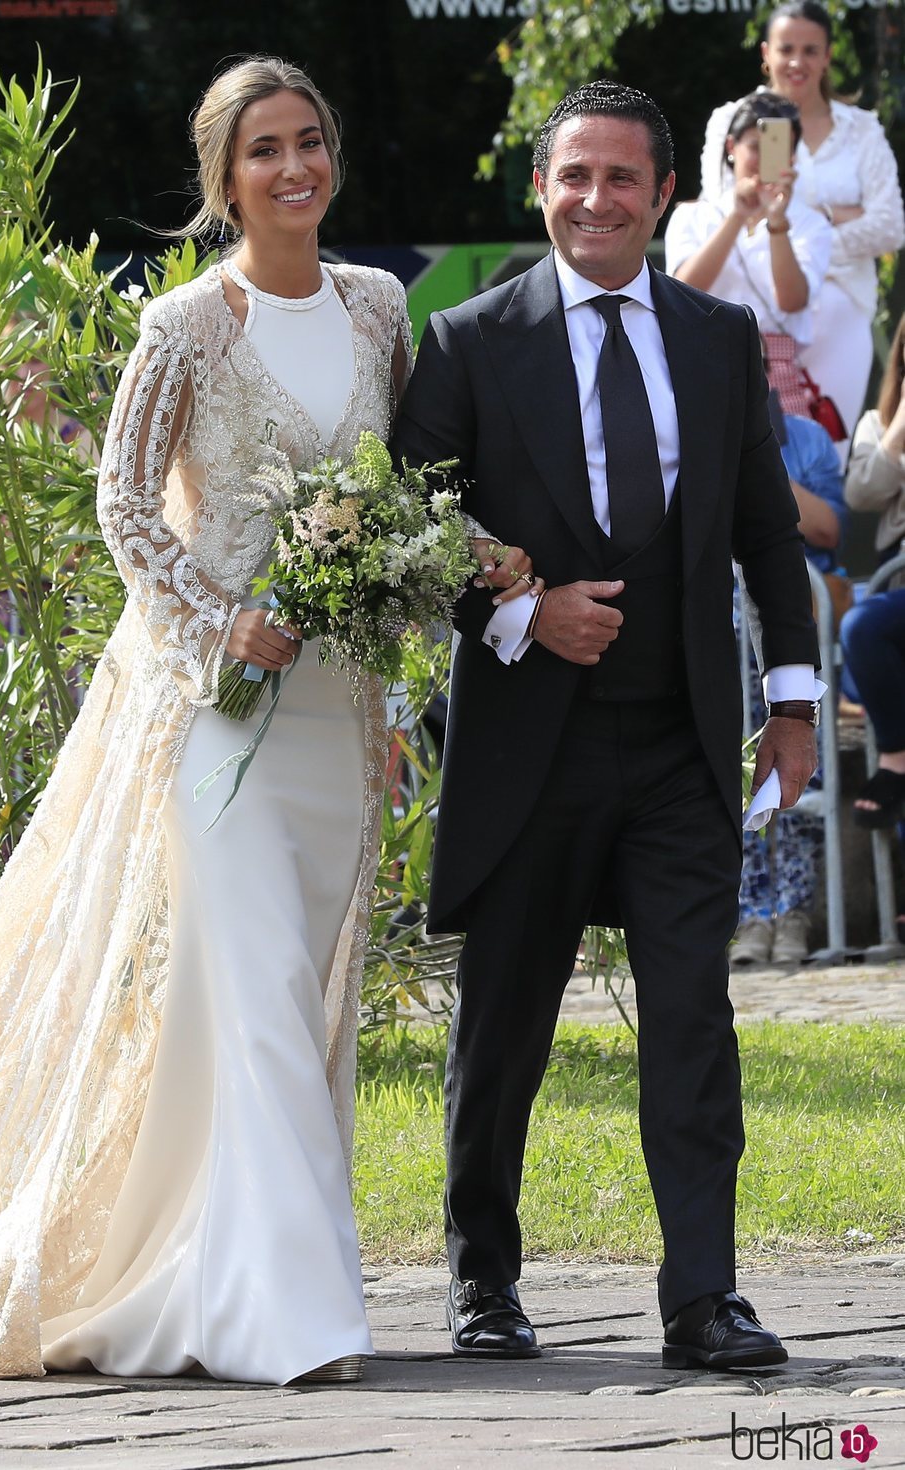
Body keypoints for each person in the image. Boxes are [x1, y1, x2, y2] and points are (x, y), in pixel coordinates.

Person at [0, 55, 530, 1386]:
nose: (294, 167)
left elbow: (403, 489)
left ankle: (217, 1275)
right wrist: (222, 623)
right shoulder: (184, 326)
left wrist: (484, 558)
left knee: (284, 1000)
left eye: (310, 140)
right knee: (251, 990)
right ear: (223, 177)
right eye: (264, 149)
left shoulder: (379, 308)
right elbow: (127, 510)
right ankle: (291, 1317)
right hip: (215, 711)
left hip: (334, 714)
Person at [393, 80, 820, 1371]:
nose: (596, 200)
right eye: (573, 177)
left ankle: (705, 1296)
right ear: (540, 191)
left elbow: (761, 531)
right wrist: (523, 615)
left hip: (680, 745)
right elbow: (413, 529)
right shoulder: (467, 341)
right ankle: (483, 1278)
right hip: (532, 744)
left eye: (622, 178)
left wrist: (792, 701)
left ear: (663, 194)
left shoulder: (716, 337)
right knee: (506, 1023)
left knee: (693, 1016)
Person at [699, 0, 904, 461]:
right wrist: (839, 215)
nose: (797, 62)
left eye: (811, 50)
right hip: (750, 315)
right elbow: (722, 213)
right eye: (787, 48)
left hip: (838, 311)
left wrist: (816, 228)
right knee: (746, 451)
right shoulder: (731, 121)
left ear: (828, 56)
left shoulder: (860, 130)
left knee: (825, 450)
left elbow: (890, 225)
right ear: (766, 52)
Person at [732, 401, 846, 967]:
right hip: (719, 646)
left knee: (794, 767)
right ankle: (750, 912)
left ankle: (794, 909)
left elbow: (826, 527)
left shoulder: (807, 440)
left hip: (792, 640)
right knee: (734, 769)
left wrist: (753, 462)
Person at [665, 91, 832, 419]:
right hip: (701, 361)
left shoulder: (811, 223)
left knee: (780, 469)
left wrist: (777, 220)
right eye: (756, 147)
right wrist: (737, 217)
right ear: (731, 148)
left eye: (780, 149)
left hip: (777, 373)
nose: (766, 158)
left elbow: (791, 300)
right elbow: (682, 291)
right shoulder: (694, 216)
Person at [841, 311, 905, 832]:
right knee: (862, 628)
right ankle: (897, 758)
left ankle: (896, 764)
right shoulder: (879, 423)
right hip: (897, 581)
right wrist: (900, 428)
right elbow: (860, 495)